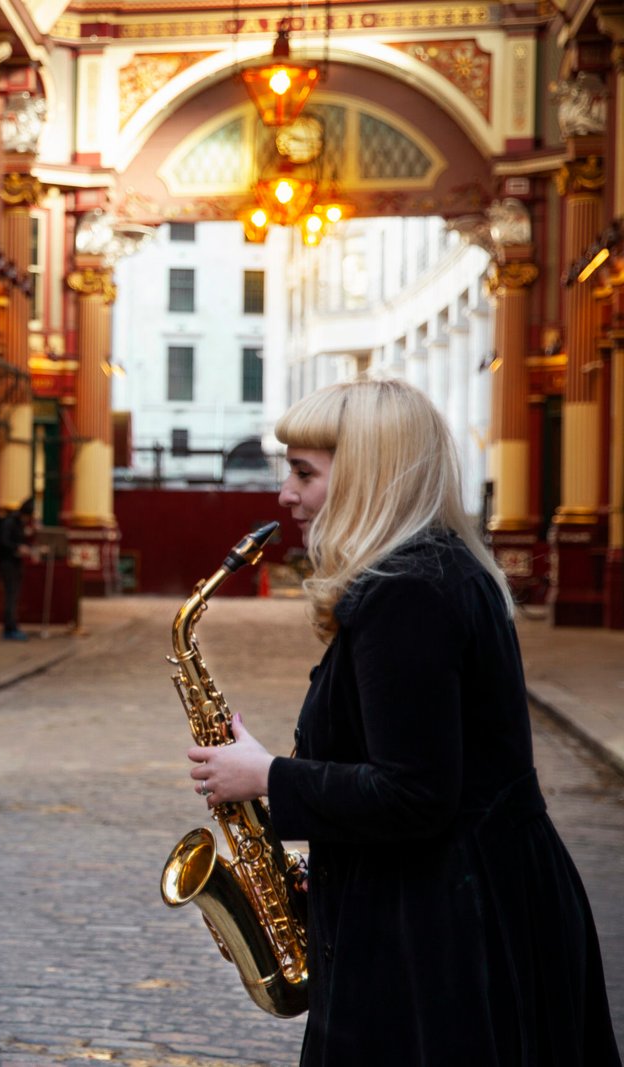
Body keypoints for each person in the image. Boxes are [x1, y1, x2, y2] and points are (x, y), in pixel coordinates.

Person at [188, 379, 619, 1066]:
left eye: (305, 473)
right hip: (462, 911)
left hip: (441, 942)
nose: (285, 494)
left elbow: (416, 792)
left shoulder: (408, 591)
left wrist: (267, 775)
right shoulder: (439, 570)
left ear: (367, 477)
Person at [0, 497, 34, 641]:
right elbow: (4, 542)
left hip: (14, 563)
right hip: (7, 563)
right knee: (11, 595)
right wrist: (17, 548)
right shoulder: (10, 522)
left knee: (14, 596)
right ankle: (9, 628)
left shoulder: (18, 523)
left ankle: (12, 626)